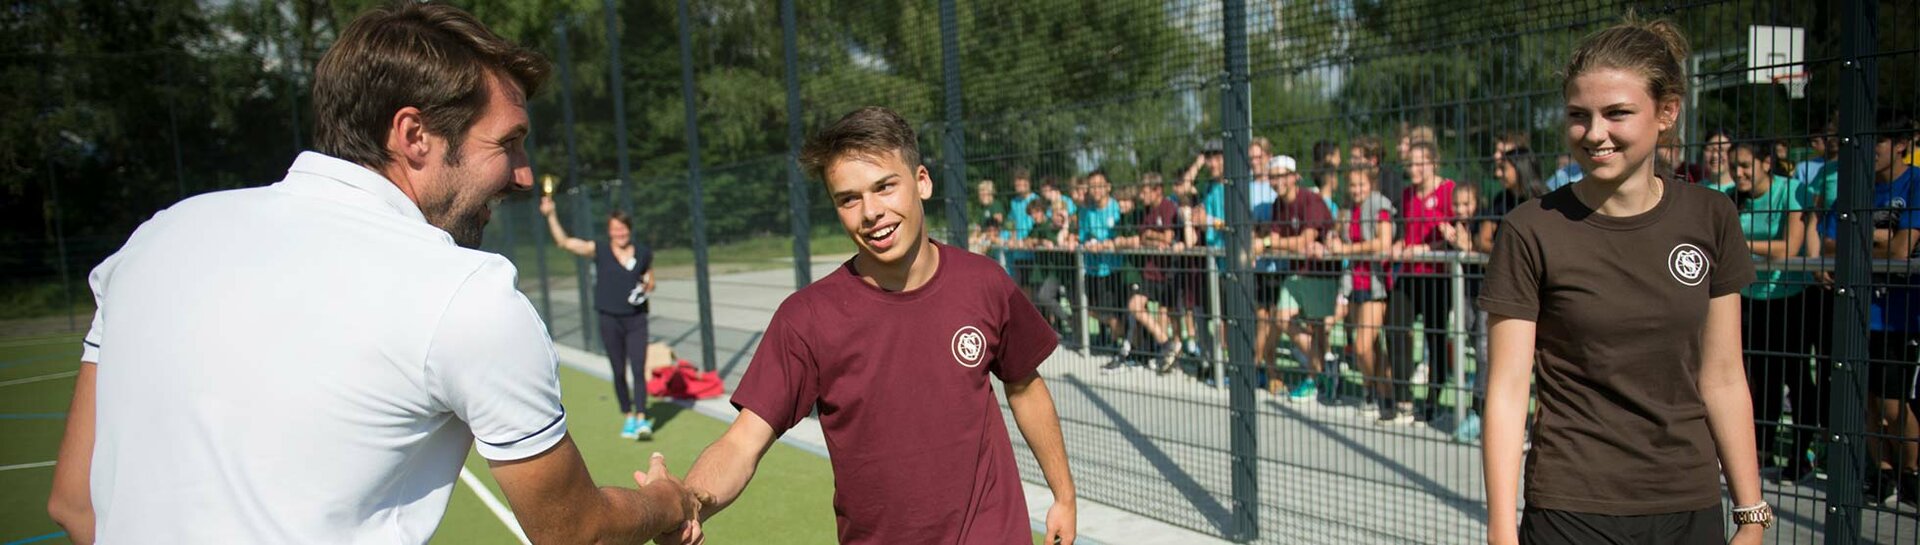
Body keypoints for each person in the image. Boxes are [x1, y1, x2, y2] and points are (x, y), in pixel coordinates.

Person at [44, 4, 695, 544]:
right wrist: (667, 502)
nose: (524, 174)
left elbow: (75, 503)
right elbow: (574, 531)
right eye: (509, 143)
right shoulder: (468, 294)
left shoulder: (154, 241)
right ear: (414, 135)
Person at [677, 107, 1078, 545]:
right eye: (848, 198)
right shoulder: (807, 319)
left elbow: (1024, 386)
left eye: (885, 187)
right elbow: (742, 442)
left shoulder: (984, 282)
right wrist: (689, 502)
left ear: (921, 182)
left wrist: (1064, 495)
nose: (870, 212)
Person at [1480, 17, 1769, 544]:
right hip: (1571, 506)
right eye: (1578, 115)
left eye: (1617, 113)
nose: (1595, 133)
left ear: (1666, 112)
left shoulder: (1712, 216)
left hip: (1688, 503)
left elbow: (1724, 376)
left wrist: (1751, 514)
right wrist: (1501, 531)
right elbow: (1506, 390)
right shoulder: (1531, 229)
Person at [1725, 141, 1817, 483]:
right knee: (1756, 378)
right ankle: (1759, 449)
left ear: (1767, 163)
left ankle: (1801, 454)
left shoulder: (1792, 191)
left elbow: (1788, 249)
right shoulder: (1729, 195)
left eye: (1747, 165)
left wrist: (1739, 244)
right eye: (1735, 166)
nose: (1740, 173)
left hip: (1790, 296)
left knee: (1796, 377)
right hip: (1748, 296)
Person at [541, 198, 657, 439]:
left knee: (638, 368)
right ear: (609, 231)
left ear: (629, 229)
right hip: (609, 319)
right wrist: (551, 214)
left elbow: (650, 278)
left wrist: (647, 286)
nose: (620, 232)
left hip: (636, 320)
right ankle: (628, 416)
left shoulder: (644, 253)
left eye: (623, 228)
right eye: (615, 228)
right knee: (618, 370)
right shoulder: (600, 250)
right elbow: (564, 242)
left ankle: (642, 418)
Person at [1386, 141, 1457, 425]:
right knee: (1394, 326)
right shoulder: (1406, 195)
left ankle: (1433, 401)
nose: (1413, 169)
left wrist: (1426, 249)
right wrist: (1399, 243)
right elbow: (1407, 233)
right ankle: (1402, 400)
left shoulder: (1448, 190)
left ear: (1433, 163)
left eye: (1419, 163)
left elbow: (1455, 235)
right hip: (1410, 274)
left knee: (1435, 336)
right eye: (1410, 164)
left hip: (1437, 277)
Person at [1262, 155, 1338, 403]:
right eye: (1273, 176)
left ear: (1295, 177)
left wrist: (1272, 243)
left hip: (1321, 273)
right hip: (1297, 273)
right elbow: (1276, 242)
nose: (1276, 181)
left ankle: (1318, 376)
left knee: (1319, 329)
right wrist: (1271, 244)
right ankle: (1323, 370)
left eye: (1282, 175)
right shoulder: (1277, 205)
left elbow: (1305, 240)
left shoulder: (1311, 201)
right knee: (1282, 319)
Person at [1326, 160, 1396, 419]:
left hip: (1376, 284)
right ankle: (1376, 393)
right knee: (1372, 346)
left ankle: (1379, 391)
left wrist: (1347, 250)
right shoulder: (1349, 211)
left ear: (1371, 183)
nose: (1356, 189)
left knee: (1363, 345)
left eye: (1361, 184)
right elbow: (1341, 240)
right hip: (1355, 282)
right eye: (1352, 185)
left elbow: (1383, 243)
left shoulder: (1379, 205)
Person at [1129, 172, 1183, 373]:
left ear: (1157, 190)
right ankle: (1166, 343)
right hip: (1150, 271)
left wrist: (1151, 235)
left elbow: (1167, 238)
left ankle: (1175, 355)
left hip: (1167, 271)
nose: (1142, 196)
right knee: (1136, 305)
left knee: (1169, 313)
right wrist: (1153, 236)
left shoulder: (1168, 207)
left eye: (1145, 191)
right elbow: (1142, 237)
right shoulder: (1146, 211)